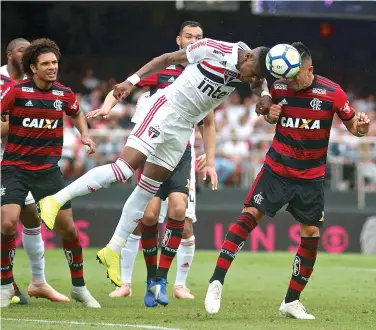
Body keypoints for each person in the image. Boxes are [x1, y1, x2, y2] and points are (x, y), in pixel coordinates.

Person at [38, 36, 274, 304]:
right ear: (247, 59)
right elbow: (166, 60)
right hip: (166, 109)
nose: (250, 80)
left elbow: (259, 84)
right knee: (123, 169)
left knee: (146, 189)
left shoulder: (252, 70)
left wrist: (265, 95)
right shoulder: (213, 49)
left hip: (184, 128)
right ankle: (55, 200)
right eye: (251, 74)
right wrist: (132, 81)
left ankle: (113, 250)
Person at [204, 42, 371, 319]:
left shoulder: (332, 93)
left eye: (296, 75)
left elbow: (354, 125)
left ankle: (291, 301)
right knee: (250, 215)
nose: (291, 81)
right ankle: (216, 281)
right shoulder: (278, 87)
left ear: (310, 69)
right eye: (287, 75)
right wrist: (269, 114)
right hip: (277, 170)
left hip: (311, 178)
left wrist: (361, 129)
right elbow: (266, 112)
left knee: (311, 235)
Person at [86, 21, 215, 303]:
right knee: (145, 216)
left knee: (182, 215)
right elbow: (122, 88)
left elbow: (209, 122)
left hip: (182, 153)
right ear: (178, 39)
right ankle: (134, 282)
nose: (195, 41)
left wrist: (211, 158)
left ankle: (174, 284)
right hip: (154, 148)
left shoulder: (208, 73)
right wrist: (107, 108)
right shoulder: (163, 70)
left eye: (200, 37)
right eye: (190, 36)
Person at [0, 38, 100, 308]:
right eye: (45, 64)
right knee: (7, 224)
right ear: (33, 67)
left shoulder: (63, 94)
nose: (52, 67)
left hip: (48, 171)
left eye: (54, 62)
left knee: (68, 230)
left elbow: (76, 112)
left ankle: (79, 287)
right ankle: (5, 286)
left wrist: (86, 134)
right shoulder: (16, 91)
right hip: (15, 168)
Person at [0, 38, 68, 305]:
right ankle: (7, 283)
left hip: (21, 160)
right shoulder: (7, 85)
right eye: (21, 50)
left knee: (30, 218)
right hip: (8, 159)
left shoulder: (33, 87)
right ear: (11, 55)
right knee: (8, 221)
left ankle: (37, 281)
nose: (26, 53)